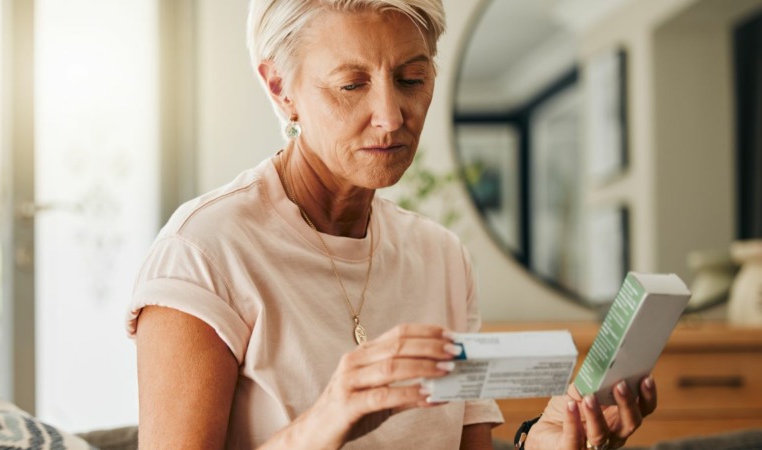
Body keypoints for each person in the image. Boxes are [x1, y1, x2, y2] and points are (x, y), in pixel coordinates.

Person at [127, 1, 657, 449]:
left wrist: (545, 441)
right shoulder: (203, 251)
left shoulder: (441, 255)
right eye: (351, 85)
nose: (392, 115)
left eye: (411, 79)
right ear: (280, 87)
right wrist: (326, 420)